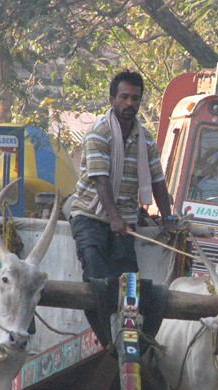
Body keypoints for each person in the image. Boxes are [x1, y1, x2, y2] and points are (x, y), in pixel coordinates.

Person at [67, 70, 174, 344]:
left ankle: (129, 339)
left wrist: (169, 219)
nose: (130, 103)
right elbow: (101, 180)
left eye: (135, 98)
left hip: (125, 221)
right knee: (96, 278)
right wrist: (114, 219)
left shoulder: (145, 139)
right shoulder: (98, 132)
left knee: (130, 282)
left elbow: (158, 182)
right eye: (124, 97)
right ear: (112, 99)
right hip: (90, 216)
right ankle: (106, 342)